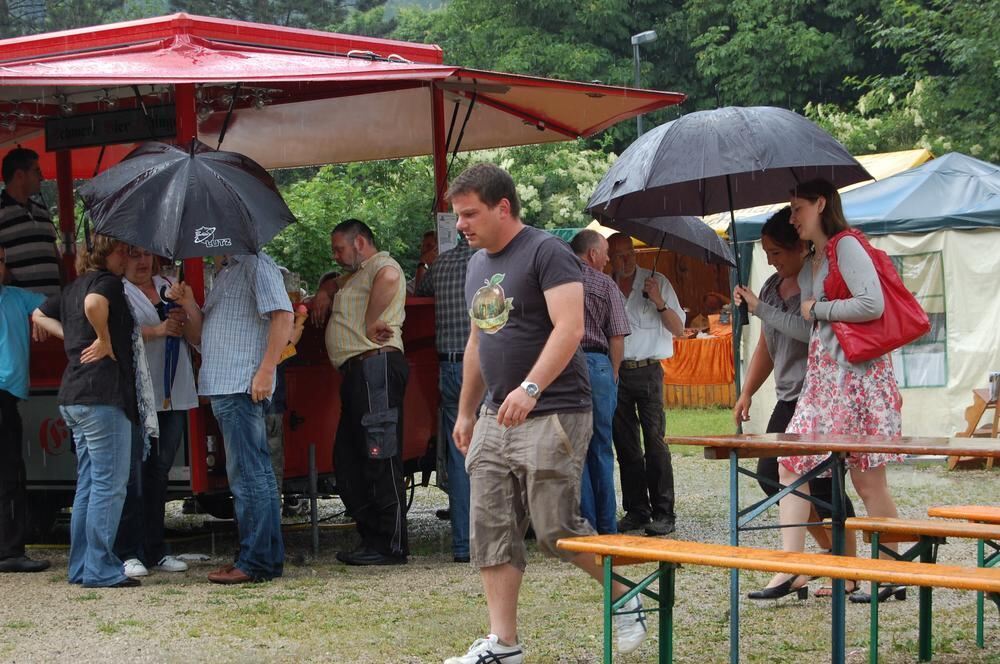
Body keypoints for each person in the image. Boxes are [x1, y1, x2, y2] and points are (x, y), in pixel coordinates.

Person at [445, 164, 647, 664]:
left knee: (556, 530)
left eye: (469, 213)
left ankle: (627, 595)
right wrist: (467, 411)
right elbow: (478, 341)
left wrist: (531, 388)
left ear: (503, 207)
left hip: (553, 408)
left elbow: (570, 327)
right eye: (457, 215)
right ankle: (503, 644)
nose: (460, 225)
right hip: (495, 415)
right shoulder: (476, 265)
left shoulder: (546, 251)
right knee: (490, 526)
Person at [735, 179, 904, 603]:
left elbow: (873, 304)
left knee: (868, 483)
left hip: (859, 380)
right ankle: (793, 569)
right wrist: (764, 311)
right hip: (824, 381)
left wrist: (819, 308)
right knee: (792, 466)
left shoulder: (847, 246)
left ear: (820, 204)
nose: (792, 218)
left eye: (797, 209)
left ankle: (890, 571)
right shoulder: (814, 261)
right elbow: (807, 329)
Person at [731, 208, 857, 599]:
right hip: (789, 397)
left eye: (776, 252)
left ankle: (847, 570)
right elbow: (768, 345)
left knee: (825, 486)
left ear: (800, 247)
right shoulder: (770, 287)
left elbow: (807, 331)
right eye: (766, 253)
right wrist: (748, 390)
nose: (771, 260)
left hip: (819, 397)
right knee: (772, 476)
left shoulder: (812, 280)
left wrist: (759, 309)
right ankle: (820, 557)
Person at [33, 235, 153, 588]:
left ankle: (82, 565)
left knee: (88, 483)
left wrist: (72, 336)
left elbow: (38, 313)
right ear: (108, 254)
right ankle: (100, 567)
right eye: (122, 251)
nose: (126, 257)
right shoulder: (107, 284)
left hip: (73, 393)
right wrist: (101, 337)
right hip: (102, 394)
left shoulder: (73, 286)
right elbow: (94, 303)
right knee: (109, 484)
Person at [198, 252, 293, 584]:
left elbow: (284, 316)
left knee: (249, 477)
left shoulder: (255, 264)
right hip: (232, 385)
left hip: (240, 385)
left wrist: (266, 371)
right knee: (258, 476)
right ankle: (264, 558)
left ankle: (254, 561)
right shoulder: (229, 270)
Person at [324, 219, 409, 566]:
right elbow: (335, 281)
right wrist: (325, 290)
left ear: (359, 242)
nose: (336, 255)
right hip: (360, 372)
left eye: (339, 248)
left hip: (375, 367)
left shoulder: (382, 265)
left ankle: (390, 544)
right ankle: (373, 536)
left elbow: (389, 277)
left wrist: (372, 317)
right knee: (348, 459)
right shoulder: (359, 273)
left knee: (380, 454)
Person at [114, 248, 202, 578]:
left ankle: (155, 548)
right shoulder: (118, 290)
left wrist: (186, 312)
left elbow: (196, 337)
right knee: (134, 473)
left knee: (159, 472)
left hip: (173, 393)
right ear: (121, 259)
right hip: (139, 394)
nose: (142, 261)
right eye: (133, 255)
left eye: (146, 255)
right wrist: (158, 330)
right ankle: (127, 550)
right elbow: (117, 337)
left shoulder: (169, 284)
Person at [607, 233, 685, 536]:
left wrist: (659, 301)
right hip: (617, 372)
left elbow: (680, 330)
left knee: (655, 443)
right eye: (619, 255)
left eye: (630, 254)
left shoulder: (657, 281)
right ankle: (637, 510)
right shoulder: (606, 285)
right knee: (626, 446)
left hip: (649, 370)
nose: (626, 260)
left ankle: (664, 513)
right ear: (610, 257)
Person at [416, 237, 475, 562]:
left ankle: (463, 544)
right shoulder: (493, 262)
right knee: (495, 452)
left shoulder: (443, 264)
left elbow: (421, 290)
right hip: (482, 366)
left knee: (460, 454)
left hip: (449, 366)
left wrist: (426, 259)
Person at [569, 229, 630, 534]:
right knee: (602, 447)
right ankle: (608, 527)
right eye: (605, 252)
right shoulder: (605, 284)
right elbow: (617, 336)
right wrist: (614, 373)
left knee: (574, 448)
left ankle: (586, 526)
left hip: (565, 364)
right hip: (597, 363)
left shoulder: (557, 281)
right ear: (592, 254)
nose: (608, 258)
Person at [0, 243, 50, 573]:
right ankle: (9, 551)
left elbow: (58, 305)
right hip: (3, 393)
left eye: (1, 260)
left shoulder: (17, 297)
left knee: (10, 473)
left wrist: (41, 317)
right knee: (9, 474)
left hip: (7, 394)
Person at [0, 148, 62, 296]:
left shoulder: (42, 211)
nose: (42, 177)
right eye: (37, 171)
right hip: (22, 310)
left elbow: (55, 257)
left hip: (54, 304)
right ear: (20, 175)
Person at [409, 229, 438, 294]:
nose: (423, 249)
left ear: (438, 249)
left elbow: (419, 295)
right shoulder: (422, 275)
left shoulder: (442, 273)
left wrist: (422, 263)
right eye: (422, 246)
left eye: (429, 246)